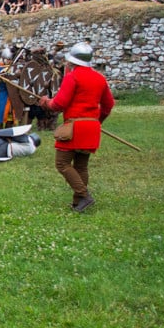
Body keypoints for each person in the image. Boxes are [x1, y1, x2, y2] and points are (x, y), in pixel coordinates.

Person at [38, 42, 115, 213]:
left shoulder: (72, 77)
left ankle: (84, 195)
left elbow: (59, 103)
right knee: (81, 166)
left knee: (62, 164)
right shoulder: (99, 78)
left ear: (72, 60)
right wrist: (96, 121)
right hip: (91, 127)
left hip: (75, 128)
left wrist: (46, 102)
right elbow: (108, 105)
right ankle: (77, 203)